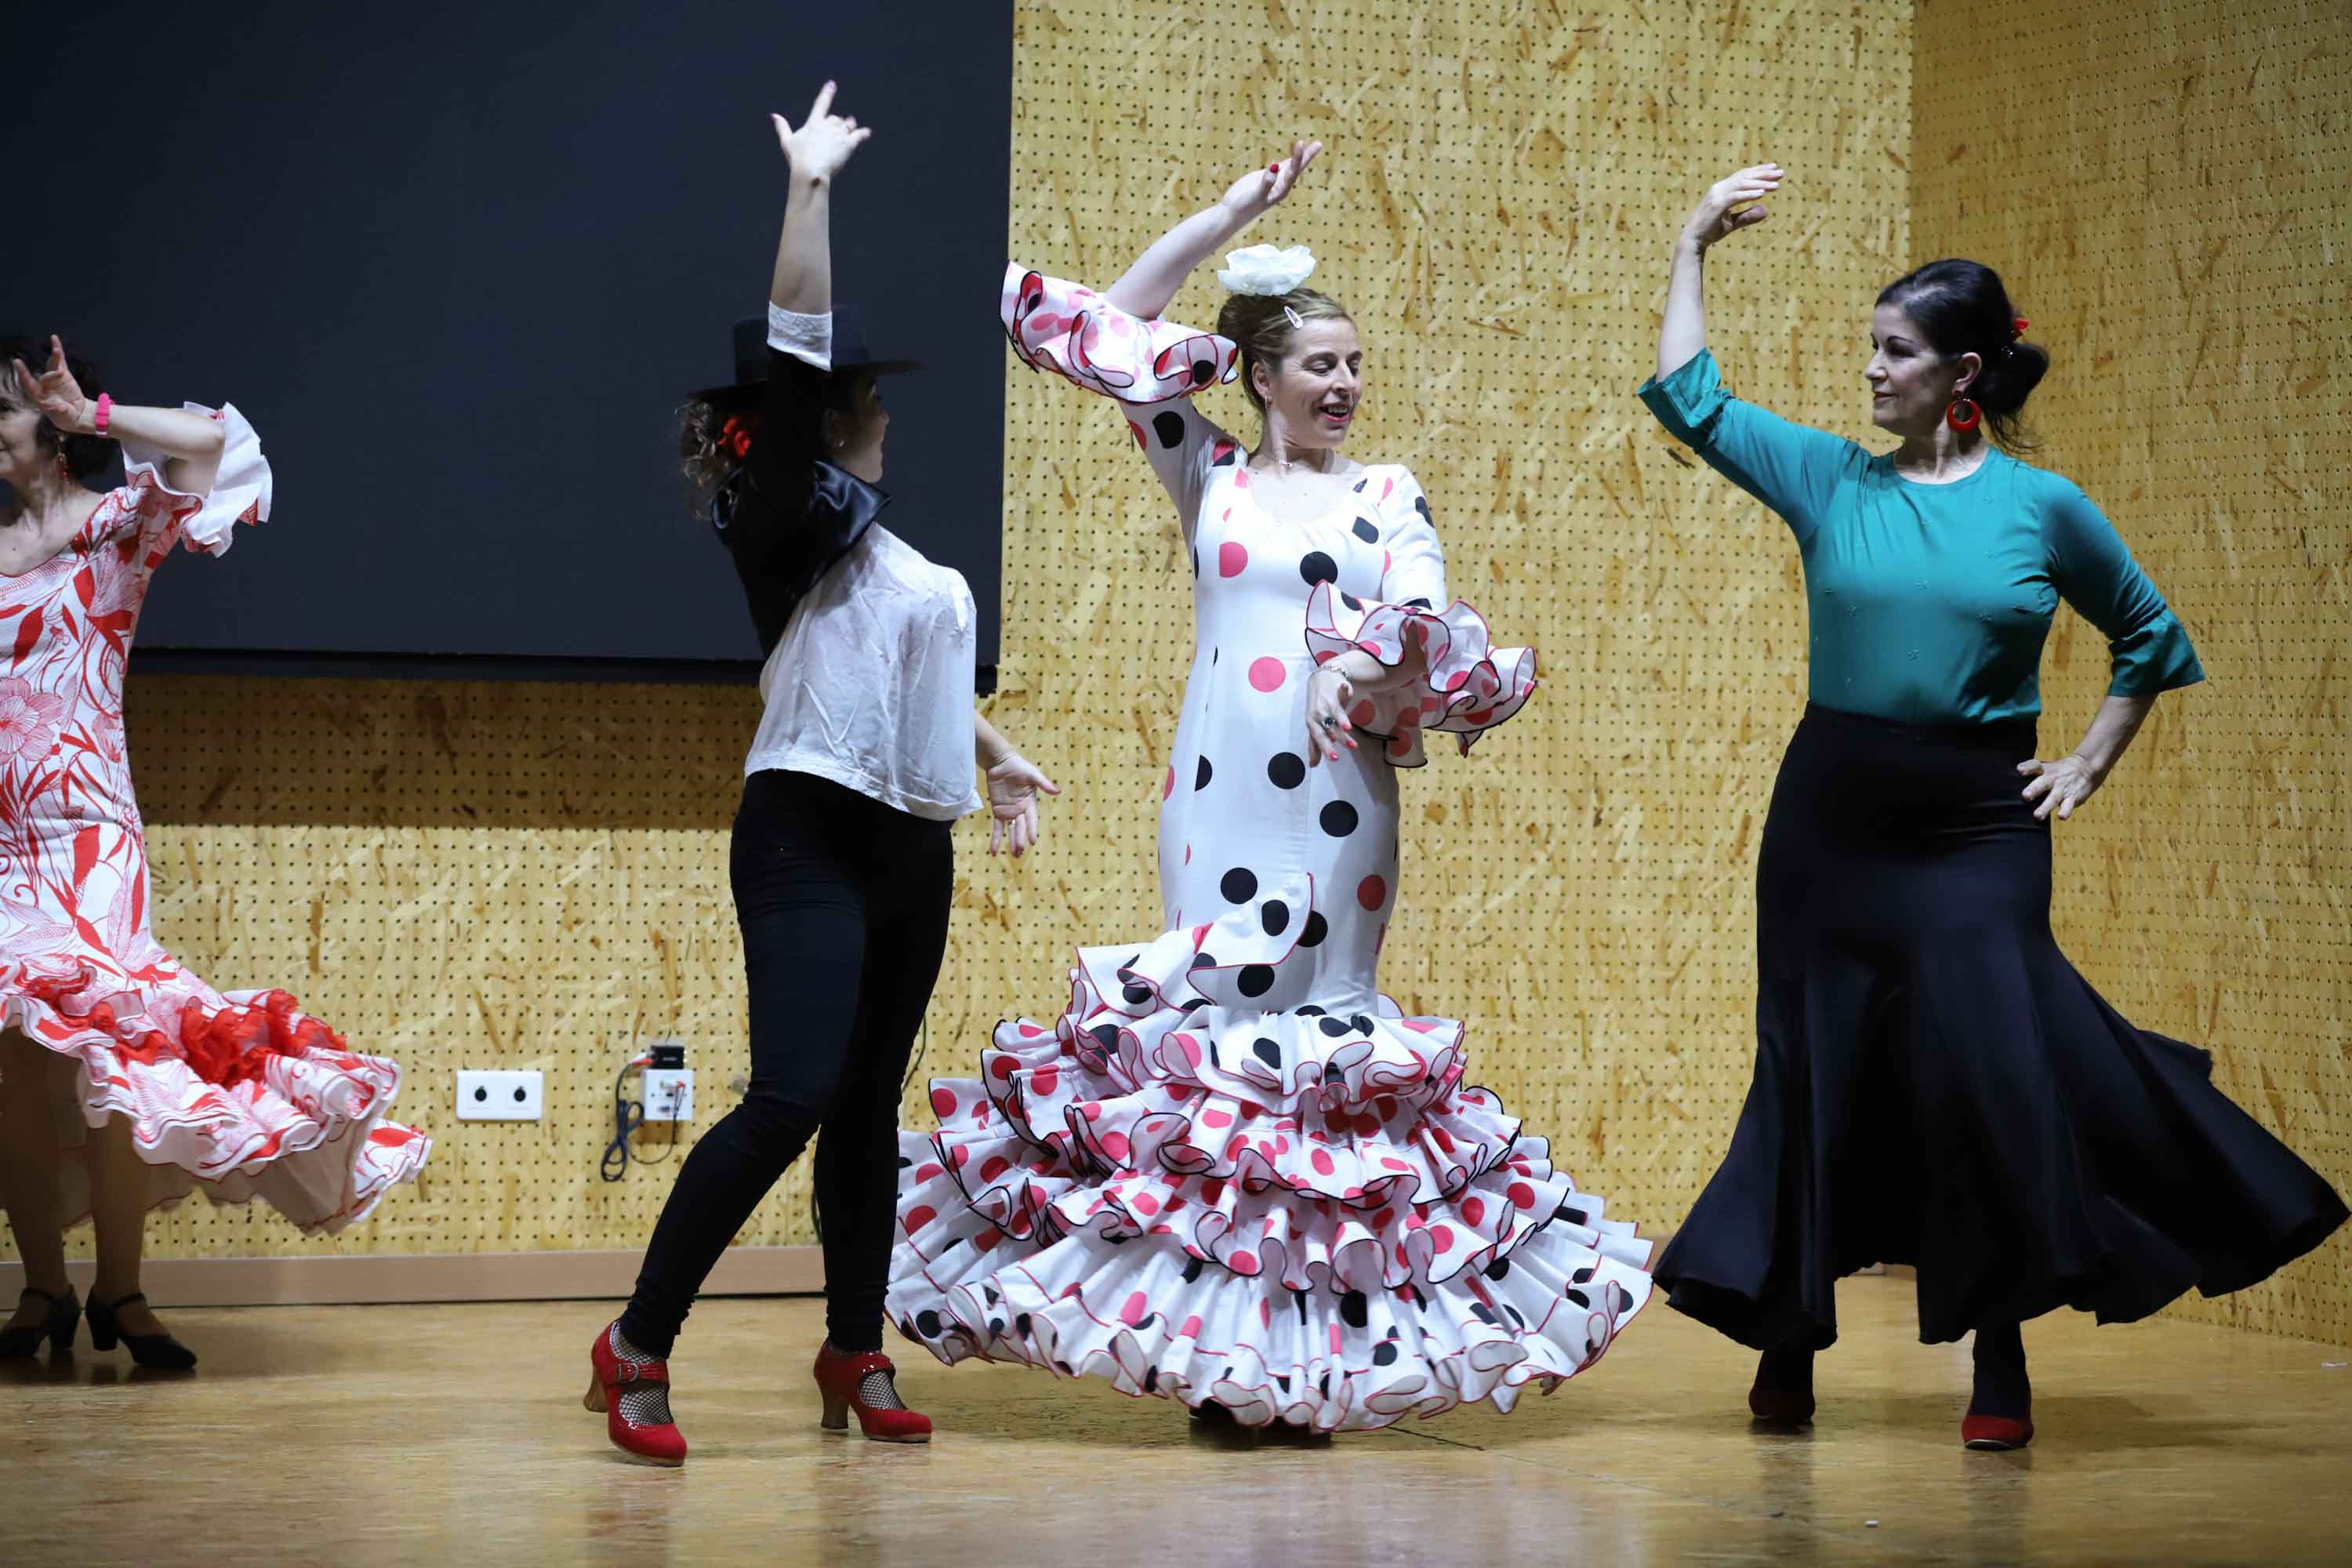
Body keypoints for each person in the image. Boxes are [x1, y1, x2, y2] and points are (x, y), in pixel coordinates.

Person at [887, 141, 1652, 1438]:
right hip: (1218, 785)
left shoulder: (1390, 494)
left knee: (1324, 1040)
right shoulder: (1212, 469)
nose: (1346, 383)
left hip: (1344, 793)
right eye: (1322, 362)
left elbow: (1422, 608)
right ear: (1260, 375)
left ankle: (1307, 1360)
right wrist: (1221, 217)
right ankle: (1220, 1352)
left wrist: (1355, 658)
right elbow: (1104, 332)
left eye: (1355, 363)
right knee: (1224, 1037)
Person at [1639, 164, 2348, 1450]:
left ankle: (2000, 1354)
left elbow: (2149, 636)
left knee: (1981, 1075)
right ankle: (1789, 1338)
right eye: (1869, 348)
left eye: (1893, 352)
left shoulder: (2042, 507)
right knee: (1816, 1070)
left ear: (1962, 373)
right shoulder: (1828, 482)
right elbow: (1691, 401)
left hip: (1978, 834)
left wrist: (2085, 761)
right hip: (1831, 828)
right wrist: (1693, 243)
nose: (1869, 372)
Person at [585, 83, 1060, 1465]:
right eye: (857, 398)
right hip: (804, 833)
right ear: (826, 417)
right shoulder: (785, 515)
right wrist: (810, 188)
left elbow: (878, 666)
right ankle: (638, 1345)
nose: (878, 412)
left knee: (867, 1105)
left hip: (913, 843)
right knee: (791, 1093)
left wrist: (992, 750)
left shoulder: (877, 555)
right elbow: (794, 344)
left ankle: (857, 1344)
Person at [0, 336, 429, 1372]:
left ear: (44, 427)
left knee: (113, 1064)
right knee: (13, 1072)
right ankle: (43, 1290)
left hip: (93, 843)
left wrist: (94, 414)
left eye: (2, 416)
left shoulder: (114, 529)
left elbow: (215, 447)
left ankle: (123, 1291)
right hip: (3, 851)